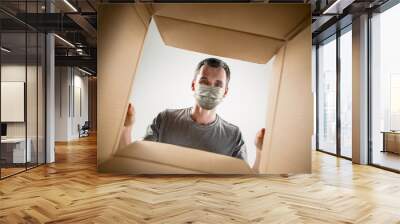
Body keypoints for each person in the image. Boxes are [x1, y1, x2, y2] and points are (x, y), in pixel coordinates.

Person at [120, 58, 266, 172]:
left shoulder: (233, 135)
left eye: (218, 85)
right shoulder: (166, 119)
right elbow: (134, 162)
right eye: (204, 81)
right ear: (193, 85)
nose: (210, 88)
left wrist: (260, 151)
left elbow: (245, 182)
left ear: (225, 92)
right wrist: (127, 127)